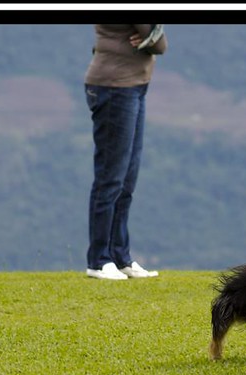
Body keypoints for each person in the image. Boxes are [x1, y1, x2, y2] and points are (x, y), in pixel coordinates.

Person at [84, 24, 168, 280]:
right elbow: (159, 43)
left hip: (133, 86)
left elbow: (154, 37)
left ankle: (120, 256)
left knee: (126, 180)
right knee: (110, 177)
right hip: (114, 87)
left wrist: (153, 36)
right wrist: (153, 36)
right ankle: (99, 260)